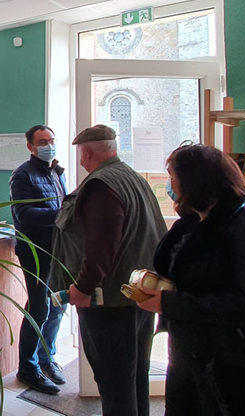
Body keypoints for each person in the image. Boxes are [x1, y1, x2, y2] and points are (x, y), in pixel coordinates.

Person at [137, 144, 245, 415]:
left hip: (233, 363)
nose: (170, 185)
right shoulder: (195, 223)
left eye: (172, 176)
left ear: (195, 180)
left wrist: (171, 304)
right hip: (191, 353)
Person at [49, 124, 166, 416]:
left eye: (80, 153)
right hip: (137, 297)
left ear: (86, 153)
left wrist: (83, 287)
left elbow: (102, 245)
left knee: (114, 383)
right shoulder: (132, 177)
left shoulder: (101, 185)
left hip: (109, 303)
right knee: (134, 376)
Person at [9, 125, 67, 395]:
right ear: (31, 146)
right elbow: (24, 214)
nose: (49, 145)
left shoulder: (55, 171)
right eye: (43, 141)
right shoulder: (23, 174)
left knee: (57, 306)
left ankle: (47, 359)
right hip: (34, 250)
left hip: (57, 248)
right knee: (39, 308)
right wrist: (62, 213)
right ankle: (28, 368)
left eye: (51, 140)